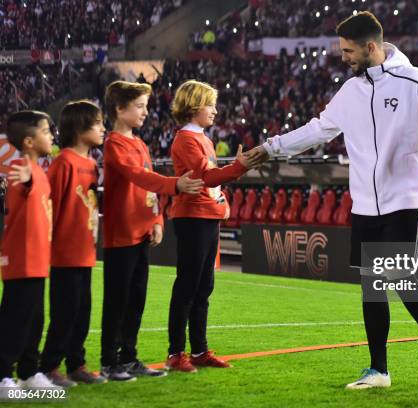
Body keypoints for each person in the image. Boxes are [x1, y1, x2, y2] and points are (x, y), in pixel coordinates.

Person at [249, 11, 418, 388]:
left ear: (371, 47)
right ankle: (379, 369)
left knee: (399, 276)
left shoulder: (415, 80)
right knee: (371, 283)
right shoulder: (350, 91)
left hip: (405, 199)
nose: (344, 57)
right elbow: (317, 129)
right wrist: (272, 148)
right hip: (365, 202)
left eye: (349, 51)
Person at [100, 81, 205, 381]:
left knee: (136, 300)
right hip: (121, 233)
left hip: (142, 231)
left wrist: (157, 220)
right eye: (139, 106)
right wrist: (175, 185)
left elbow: (147, 190)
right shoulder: (114, 144)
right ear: (120, 109)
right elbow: (139, 176)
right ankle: (109, 361)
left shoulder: (140, 143)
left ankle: (129, 357)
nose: (146, 112)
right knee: (117, 301)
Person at [165, 80, 260, 372]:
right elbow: (207, 177)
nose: (215, 111)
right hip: (192, 217)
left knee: (203, 286)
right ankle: (176, 353)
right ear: (193, 106)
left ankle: (199, 350)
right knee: (188, 285)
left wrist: (221, 203)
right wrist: (239, 166)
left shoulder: (201, 138)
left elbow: (210, 181)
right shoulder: (186, 139)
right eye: (210, 104)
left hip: (205, 215)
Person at [39, 100, 107, 387]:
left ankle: (76, 363)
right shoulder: (64, 162)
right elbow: (48, 206)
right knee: (65, 312)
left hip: (85, 251)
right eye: (99, 123)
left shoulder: (91, 164)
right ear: (81, 128)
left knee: (82, 312)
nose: (104, 129)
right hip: (65, 253)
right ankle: (50, 366)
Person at [0, 111, 61, 396]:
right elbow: (22, 185)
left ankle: (27, 372)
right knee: (14, 319)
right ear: (28, 141)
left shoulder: (38, 170)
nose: (51, 135)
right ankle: (3, 376)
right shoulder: (19, 169)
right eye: (46, 131)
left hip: (37, 258)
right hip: (21, 258)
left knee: (35, 319)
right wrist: (26, 180)